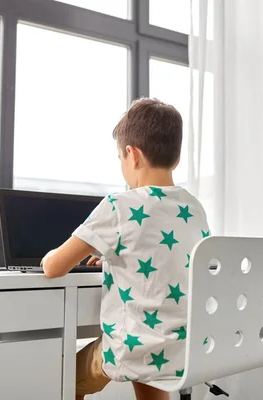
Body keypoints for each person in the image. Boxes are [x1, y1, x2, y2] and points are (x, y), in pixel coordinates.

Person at [41, 98, 210, 400]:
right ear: (177, 156)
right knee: (152, 356)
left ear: (131, 155)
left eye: (120, 158)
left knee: (61, 377)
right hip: (181, 346)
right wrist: (111, 252)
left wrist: (46, 256)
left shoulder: (119, 205)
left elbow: (55, 268)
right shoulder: (194, 207)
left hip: (136, 348)